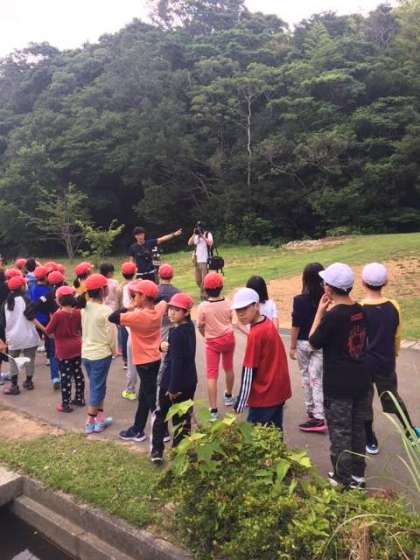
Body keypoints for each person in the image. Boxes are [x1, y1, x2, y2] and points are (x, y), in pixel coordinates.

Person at [309, 263, 370, 490]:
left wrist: (320, 312)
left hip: (338, 385)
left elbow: (313, 342)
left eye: (325, 282)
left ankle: (342, 478)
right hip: (361, 381)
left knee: (340, 432)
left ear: (329, 288)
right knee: (357, 429)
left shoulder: (333, 316)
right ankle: (358, 475)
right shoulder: (360, 310)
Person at [360, 263, 420, 452]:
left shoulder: (359, 308)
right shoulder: (393, 306)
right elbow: (397, 335)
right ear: (385, 282)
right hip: (386, 361)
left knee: (364, 401)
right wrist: (394, 353)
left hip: (364, 364)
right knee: (393, 398)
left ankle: (370, 440)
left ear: (363, 283)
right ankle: (410, 432)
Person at [109, 280, 167, 442]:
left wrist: (131, 307)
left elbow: (112, 317)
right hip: (155, 357)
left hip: (143, 361)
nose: (133, 297)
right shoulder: (158, 309)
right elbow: (162, 299)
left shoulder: (137, 316)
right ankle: (138, 429)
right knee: (145, 395)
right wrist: (146, 300)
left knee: (151, 398)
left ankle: (162, 431)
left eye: (136, 295)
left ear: (144, 297)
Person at [232, 288, 291, 429]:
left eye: (245, 308)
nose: (241, 313)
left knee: (257, 436)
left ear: (256, 306)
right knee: (274, 433)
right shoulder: (267, 323)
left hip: (264, 395)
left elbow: (249, 370)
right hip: (278, 390)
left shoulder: (256, 334)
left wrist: (240, 402)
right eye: (238, 310)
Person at [150, 293, 197, 464]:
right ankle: (180, 452)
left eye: (177, 310)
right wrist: (163, 347)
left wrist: (172, 388)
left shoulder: (177, 333)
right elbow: (177, 352)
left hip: (173, 382)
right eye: (170, 308)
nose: (171, 312)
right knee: (183, 418)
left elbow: (177, 361)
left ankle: (157, 450)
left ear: (186, 312)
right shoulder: (188, 328)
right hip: (189, 381)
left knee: (161, 415)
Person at [289, 263, 326, 433]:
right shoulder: (326, 299)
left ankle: (313, 411)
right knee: (317, 378)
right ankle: (318, 412)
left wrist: (292, 346)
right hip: (320, 342)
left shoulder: (299, 300)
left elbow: (295, 325)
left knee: (306, 376)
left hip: (303, 342)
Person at [78, 273, 117, 434]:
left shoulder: (84, 307)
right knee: (98, 388)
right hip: (101, 354)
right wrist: (114, 350)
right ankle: (90, 421)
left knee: (96, 386)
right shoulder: (106, 310)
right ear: (102, 290)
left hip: (86, 354)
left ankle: (100, 420)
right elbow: (111, 334)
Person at [198, 272, 235, 421]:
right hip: (228, 338)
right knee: (229, 368)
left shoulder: (203, 306)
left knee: (212, 375)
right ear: (221, 287)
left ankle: (213, 410)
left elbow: (200, 326)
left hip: (212, 341)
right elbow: (230, 319)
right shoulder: (228, 302)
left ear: (205, 288)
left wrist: (205, 335)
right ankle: (228, 396)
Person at [45, 285, 85, 413]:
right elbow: (80, 328)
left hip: (63, 349)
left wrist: (55, 335)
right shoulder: (78, 312)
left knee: (66, 376)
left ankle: (66, 404)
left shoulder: (58, 315)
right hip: (77, 345)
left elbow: (48, 331)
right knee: (78, 372)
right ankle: (80, 398)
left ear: (59, 299)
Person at [0, 275, 41, 394]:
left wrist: (3, 339)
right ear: (22, 287)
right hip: (29, 336)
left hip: (13, 338)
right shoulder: (26, 300)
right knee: (29, 359)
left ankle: (14, 386)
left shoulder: (5, 304)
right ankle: (29, 382)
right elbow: (31, 316)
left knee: (13, 361)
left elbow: (2, 323)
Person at [30, 266, 60, 390]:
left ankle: (37, 359)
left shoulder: (33, 288)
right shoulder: (48, 291)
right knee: (51, 344)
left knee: (42, 341)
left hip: (37, 319)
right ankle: (52, 364)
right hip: (48, 320)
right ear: (46, 276)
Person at [117, 261, 137, 375]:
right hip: (135, 314)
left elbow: (118, 303)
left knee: (125, 337)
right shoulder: (138, 284)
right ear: (135, 273)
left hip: (124, 315)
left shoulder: (120, 287)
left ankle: (126, 360)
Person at [187, 221, 214, 299]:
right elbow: (189, 243)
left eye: (199, 227)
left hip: (204, 259)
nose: (198, 228)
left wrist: (202, 236)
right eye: (197, 227)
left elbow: (210, 243)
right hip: (197, 260)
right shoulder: (195, 235)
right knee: (198, 280)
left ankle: (204, 295)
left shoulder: (208, 234)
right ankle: (206, 291)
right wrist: (194, 234)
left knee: (204, 279)